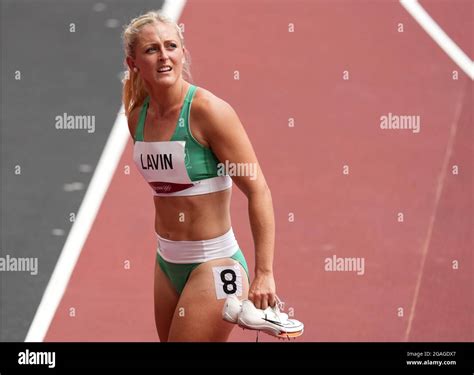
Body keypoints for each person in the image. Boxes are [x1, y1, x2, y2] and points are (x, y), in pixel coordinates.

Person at [122, 10, 276, 342]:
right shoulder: (138, 119)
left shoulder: (208, 111)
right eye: (151, 49)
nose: (164, 56)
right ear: (133, 62)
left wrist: (264, 274)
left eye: (171, 46)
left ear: (182, 52)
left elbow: (259, 190)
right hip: (167, 262)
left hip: (216, 264)